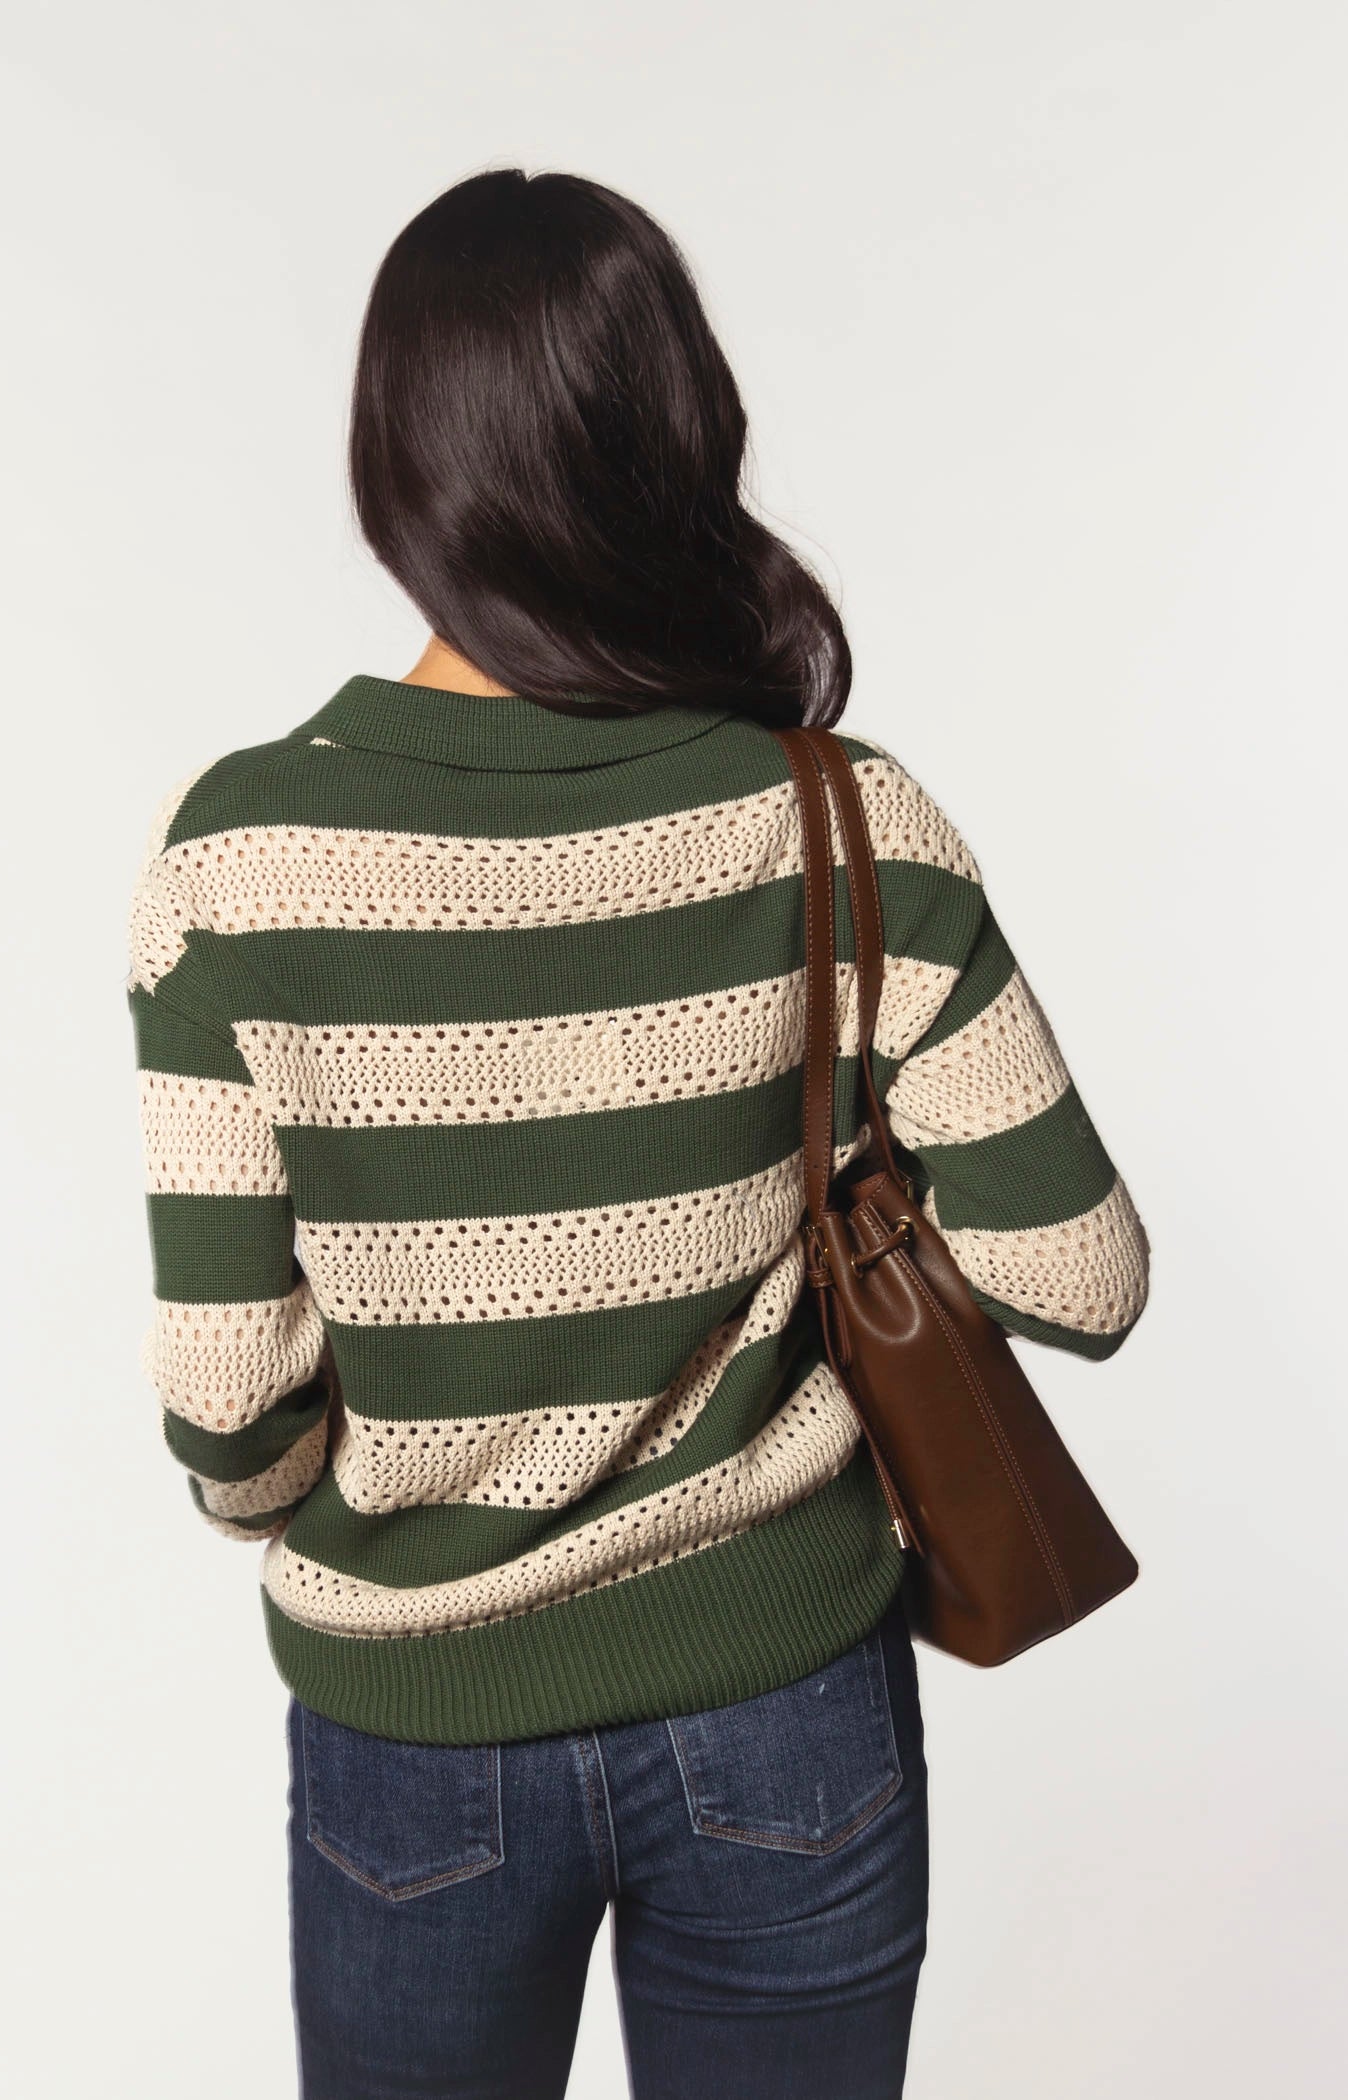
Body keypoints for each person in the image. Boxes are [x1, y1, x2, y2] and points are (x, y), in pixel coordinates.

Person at [125, 169, 1150, 2100]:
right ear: (681, 434)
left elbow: (230, 1410)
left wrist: (326, 1500)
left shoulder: (239, 855)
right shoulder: (843, 815)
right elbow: (1082, 1276)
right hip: (788, 1706)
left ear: (396, 462)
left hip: (414, 1734)